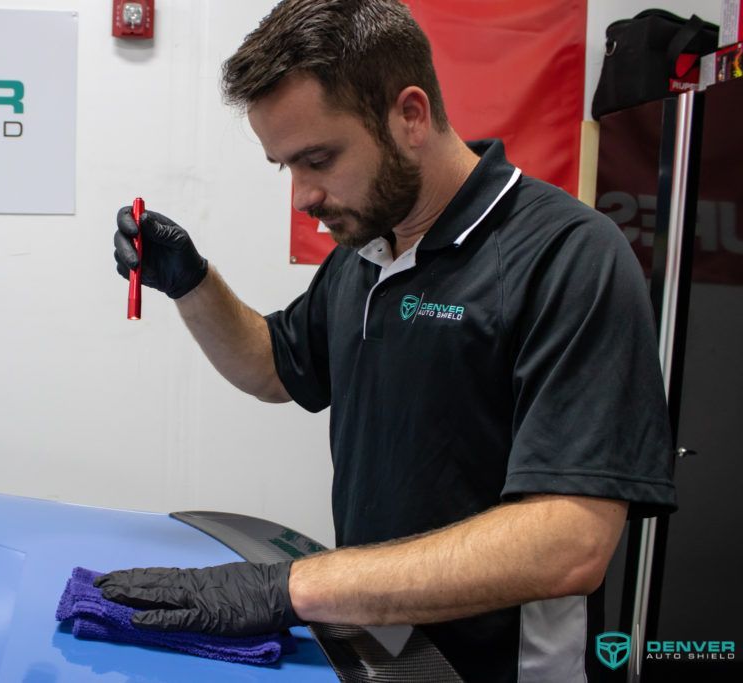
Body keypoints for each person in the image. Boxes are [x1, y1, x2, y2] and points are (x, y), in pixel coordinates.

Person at [101, 1, 677, 680]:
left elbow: (570, 541)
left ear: (410, 115)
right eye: (283, 165)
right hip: (388, 659)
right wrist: (191, 283)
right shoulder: (368, 249)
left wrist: (291, 588)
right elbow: (272, 365)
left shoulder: (566, 256)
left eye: (317, 158)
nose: (302, 196)